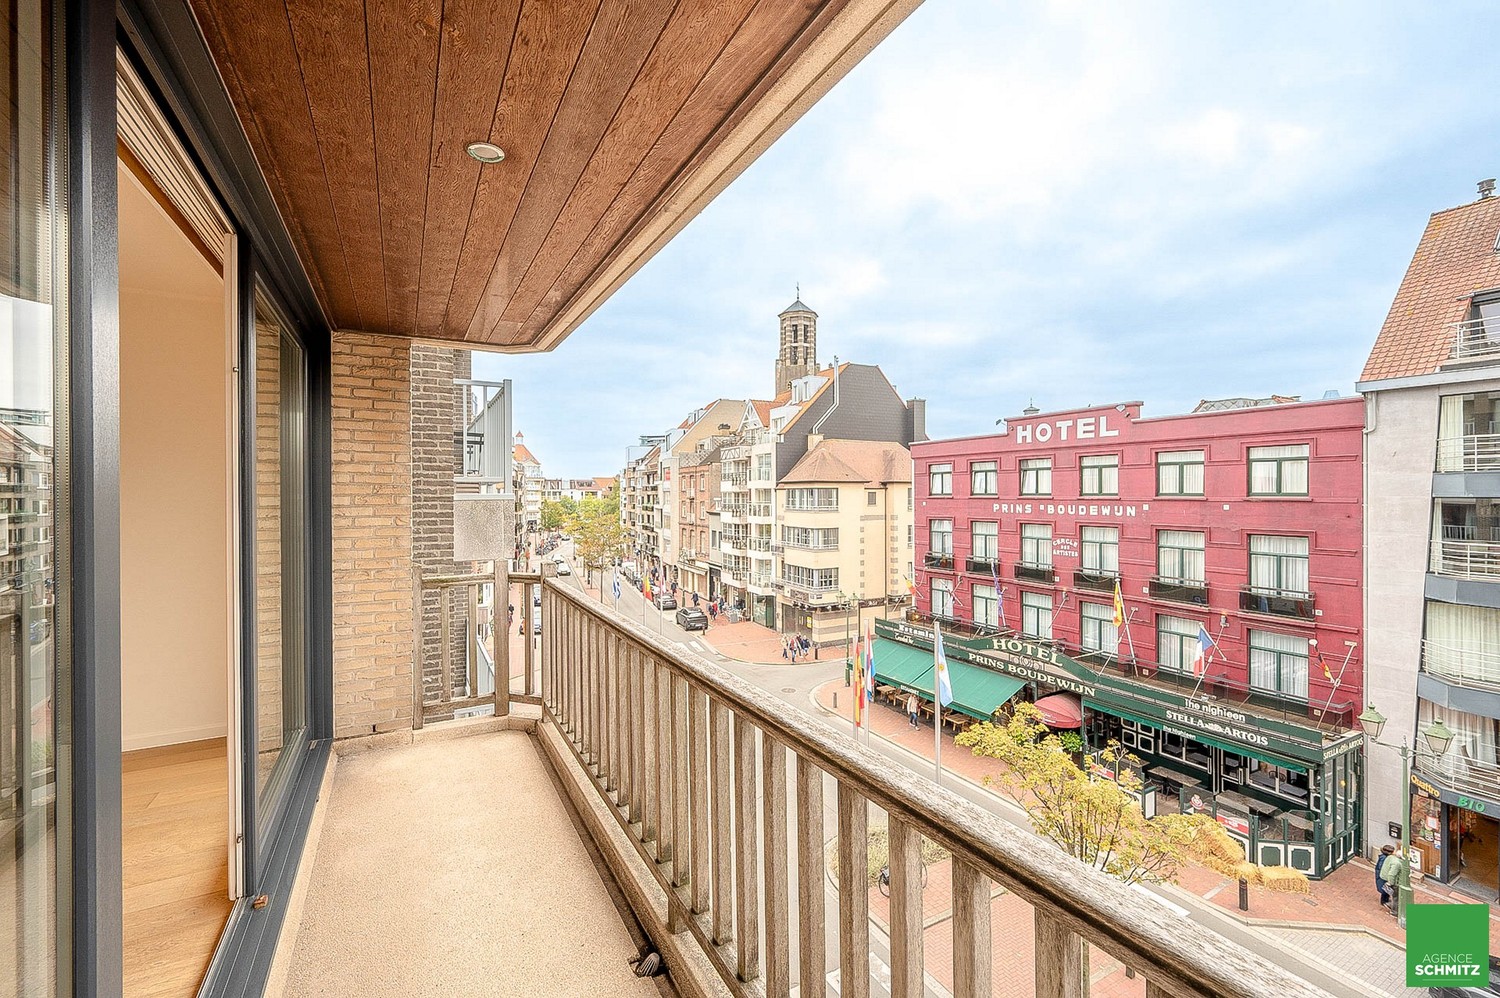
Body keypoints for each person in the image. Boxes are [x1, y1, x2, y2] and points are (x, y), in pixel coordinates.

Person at [1375, 844, 1395, 910]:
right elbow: (1381, 867)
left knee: (1385, 889)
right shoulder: (1384, 858)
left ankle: (1385, 900)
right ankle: (1384, 901)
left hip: (1382, 875)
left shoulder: (1385, 857)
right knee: (1385, 889)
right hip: (1382, 876)